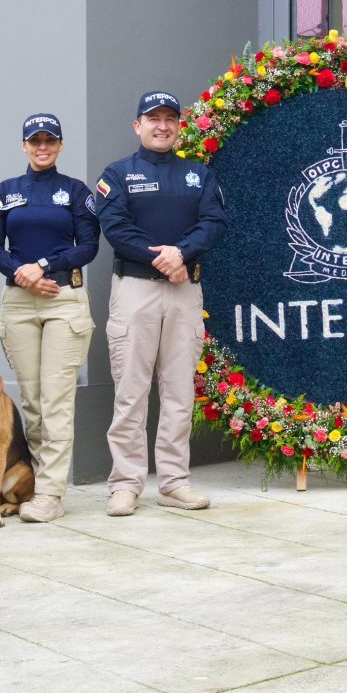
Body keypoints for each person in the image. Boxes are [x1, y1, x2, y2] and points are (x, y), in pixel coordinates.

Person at [93, 90, 228, 516]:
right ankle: (126, 484)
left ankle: (173, 482)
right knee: (131, 393)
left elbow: (214, 222)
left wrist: (181, 254)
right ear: (137, 126)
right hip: (136, 291)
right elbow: (115, 227)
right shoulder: (117, 174)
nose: (162, 125)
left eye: (170, 118)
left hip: (185, 292)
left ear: (178, 125)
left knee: (178, 393)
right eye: (153, 118)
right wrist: (162, 257)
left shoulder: (198, 174)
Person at [0, 112, 99, 522]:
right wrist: (21, 273)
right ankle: (30, 486)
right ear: (24, 146)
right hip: (19, 300)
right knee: (31, 402)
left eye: (50, 141)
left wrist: (44, 266)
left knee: (56, 401)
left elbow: (88, 245)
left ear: (61, 145)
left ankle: (50, 494)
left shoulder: (75, 191)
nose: (42, 147)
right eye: (35, 141)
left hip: (63, 299)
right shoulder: (6, 192)